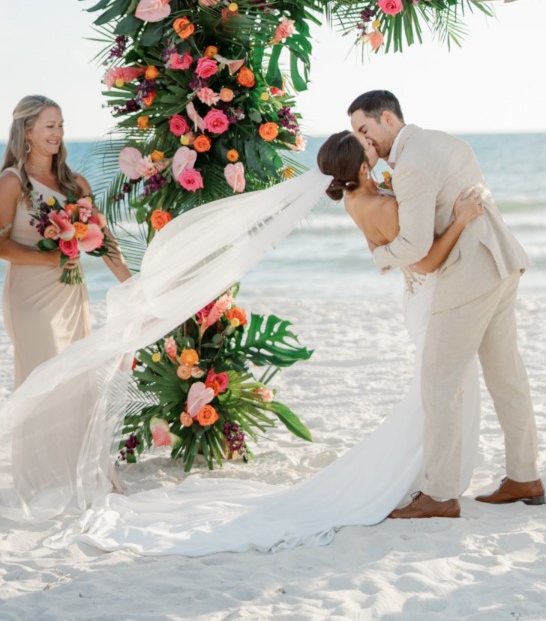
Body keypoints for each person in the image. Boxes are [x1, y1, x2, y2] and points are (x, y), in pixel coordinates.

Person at [19, 131, 483, 551]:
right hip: (426, 294)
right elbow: (422, 260)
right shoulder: (383, 204)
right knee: (433, 392)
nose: (375, 152)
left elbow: (392, 245)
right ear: (360, 168)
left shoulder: (358, 200)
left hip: (418, 300)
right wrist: (459, 220)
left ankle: (432, 474)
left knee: (434, 390)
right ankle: (428, 480)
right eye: (368, 151)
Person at [348, 89, 544, 519]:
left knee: (439, 383)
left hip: (469, 276)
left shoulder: (412, 165)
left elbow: (415, 245)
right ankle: (524, 475)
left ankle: (439, 494)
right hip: (502, 261)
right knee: (506, 375)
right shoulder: (444, 140)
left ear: (387, 119)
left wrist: (380, 256)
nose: (364, 142)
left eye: (364, 130)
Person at [0, 95, 130, 388]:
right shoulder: (12, 182)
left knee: (75, 384)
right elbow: (0, 244)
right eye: (49, 126)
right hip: (30, 299)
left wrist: (130, 283)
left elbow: (102, 239)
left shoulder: (75, 183)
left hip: (71, 294)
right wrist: (49, 258)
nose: (57, 133)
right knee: (43, 383)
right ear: (28, 130)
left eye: (60, 125)